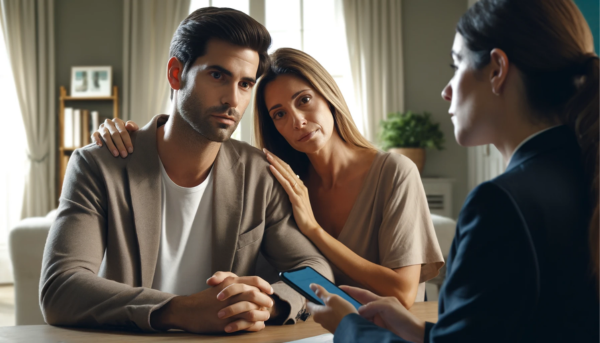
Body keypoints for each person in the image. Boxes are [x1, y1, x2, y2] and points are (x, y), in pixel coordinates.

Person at [293, 0, 600, 342]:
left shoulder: (499, 204)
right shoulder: (585, 175)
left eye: (456, 65)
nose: (446, 90)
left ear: (497, 69)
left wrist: (350, 327)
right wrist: (421, 332)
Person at [40, 7, 333, 334]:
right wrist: (179, 310)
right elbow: (60, 287)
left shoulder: (260, 174)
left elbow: (314, 271)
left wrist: (271, 302)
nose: (233, 100)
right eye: (218, 75)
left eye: (246, 84)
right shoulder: (98, 166)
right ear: (176, 74)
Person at [95, 48, 445, 308]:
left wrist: (314, 231)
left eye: (304, 100)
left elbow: (400, 292)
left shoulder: (394, 172)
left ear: (329, 96)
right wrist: (126, 134)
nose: (297, 120)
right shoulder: (281, 179)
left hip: (386, 332)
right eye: (279, 114)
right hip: (317, 331)